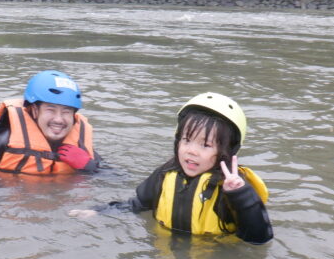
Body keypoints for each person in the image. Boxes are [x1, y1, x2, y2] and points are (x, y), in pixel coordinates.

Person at [71, 92, 272, 244]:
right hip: (168, 252)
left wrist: (241, 196)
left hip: (214, 254)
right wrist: (99, 211)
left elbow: (258, 238)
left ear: (226, 152)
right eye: (186, 140)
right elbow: (137, 205)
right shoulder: (165, 174)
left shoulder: (234, 187)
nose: (191, 151)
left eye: (205, 145)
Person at [0, 70, 101, 174]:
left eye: (66, 112)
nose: (59, 119)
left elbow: (115, 177)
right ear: (34, 110)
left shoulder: (80, 146)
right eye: (51, 110)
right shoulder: (4, 141)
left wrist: (89, 166)